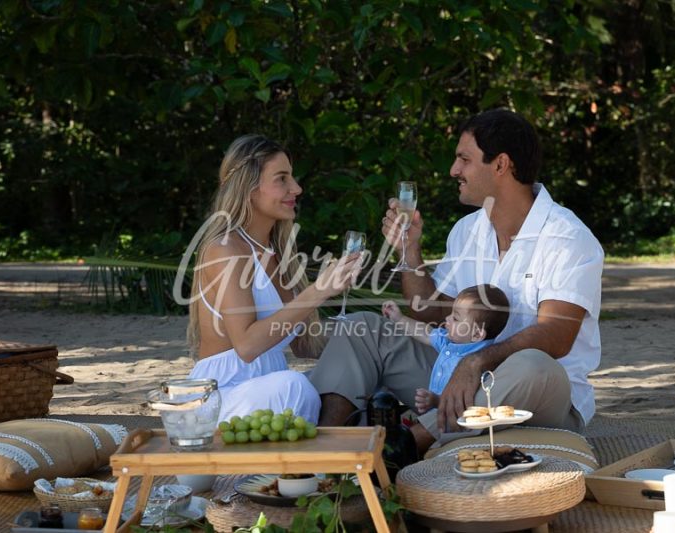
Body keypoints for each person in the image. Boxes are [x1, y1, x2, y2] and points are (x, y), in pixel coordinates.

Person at [309, 109, 604, 453]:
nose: (454, 171)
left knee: (534, 363)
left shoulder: (566, 237)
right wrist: (410, 251)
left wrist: (477, 361)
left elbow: (556, 336)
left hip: (538, 396)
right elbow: (432, 313)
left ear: (500, 164)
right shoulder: (467, 231)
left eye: (464, 159)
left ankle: (403, 449)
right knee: (363, 329)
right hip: (456, 382)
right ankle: (324, 448)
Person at [186, 134, 361, 424]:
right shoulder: (225, 249)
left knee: (354, 376)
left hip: (269, 392)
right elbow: (247, 346)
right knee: (294, 387)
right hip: (222, 397)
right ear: (249, 188)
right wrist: (319, 291)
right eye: (282, 179)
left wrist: (365, 338)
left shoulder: (280, 255)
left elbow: (306, 346)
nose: (296, 188)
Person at [381, 285, 510, 414]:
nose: (447, 318)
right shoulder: (451, 341)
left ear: (476, 334)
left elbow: (467, 402)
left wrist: (436, 401)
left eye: (455, 318)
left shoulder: (481, 365)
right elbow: (426, 333)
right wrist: (399, 318)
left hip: (450, 421)